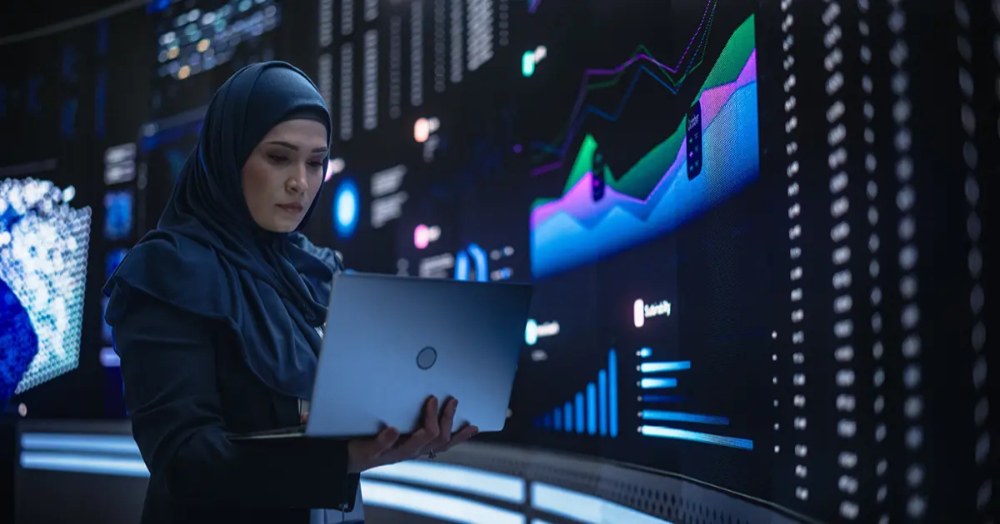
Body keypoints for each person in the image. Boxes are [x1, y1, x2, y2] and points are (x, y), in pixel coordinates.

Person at [103, 62, 477, 524]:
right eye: (279, 157)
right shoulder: (167, 271)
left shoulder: (319, 271)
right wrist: (339, 459)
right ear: (228, 155)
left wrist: (412, 421)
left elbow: (342, 419)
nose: (301, 181)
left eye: (316, 162)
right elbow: (185, 462)